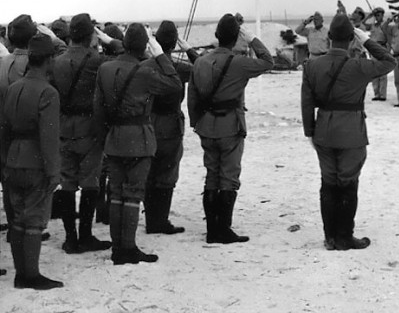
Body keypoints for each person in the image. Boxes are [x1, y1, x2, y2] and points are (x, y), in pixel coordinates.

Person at [301, 13, 396, 251]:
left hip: (323, 130)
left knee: (328, 182)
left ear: (330, 37)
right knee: (348, 183)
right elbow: (389, 62)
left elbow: (306, 103)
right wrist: (366, 40)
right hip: (351, 132)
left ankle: (330, 237)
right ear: (351, 38)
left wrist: (310, 132)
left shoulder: (312, 65)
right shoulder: (359, 66)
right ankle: (344, 236)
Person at [94, 23, 183, 265]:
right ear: (144, 46)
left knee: (116, 193)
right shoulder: (145, 71)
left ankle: (116, 249)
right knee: (133, 194)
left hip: (113, 137)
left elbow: (98, 109)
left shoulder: (105, 68)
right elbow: (174, 84)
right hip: (139, 137)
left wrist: (105, 139)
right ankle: (128, 248)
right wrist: (161, 55)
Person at [187, 14, 273, 244]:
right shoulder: (239, 63)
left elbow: (192, 96)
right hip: (230, 125)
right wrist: (252, 37)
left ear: (216, 35)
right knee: (228, 177)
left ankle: (211, 228)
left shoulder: (201, 61)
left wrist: (196, 123)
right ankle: (222, 229)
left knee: (211, 176)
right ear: (236, 38)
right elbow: (268, 61)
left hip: (206, 125)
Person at [0, 34, 63, 290]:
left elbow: (3, 129)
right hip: (36, 160)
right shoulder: (48, 92)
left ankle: (20, 274)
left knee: (17, 220)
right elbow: (48, 136)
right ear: (48, 60)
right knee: (34, 220)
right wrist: (54, 171)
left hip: (13, 158)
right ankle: (31, 275)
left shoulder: (14, 88)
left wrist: (4, 161)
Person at [52, 13, 113, 254]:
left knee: (67, 182)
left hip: (64, 125)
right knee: (90, 181)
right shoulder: (96, 61)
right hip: (89, 126)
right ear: (90, 35)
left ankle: (70, 238)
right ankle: (85, 236)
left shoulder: (57, 61)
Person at [144, 20, 199, 235]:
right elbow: (203, 67)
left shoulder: (147, 64)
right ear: (173, 43)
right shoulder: (178, 68)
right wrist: (189, 49)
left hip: (149, 120)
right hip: (170, 122)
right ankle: (161, 220)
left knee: (150, 171)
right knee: (167, 172)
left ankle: (151, 219)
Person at [366, 7, 389, 101]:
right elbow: (362, 24)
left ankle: (383, 94)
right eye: (376, 15)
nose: (377, 17)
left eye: (379, 15)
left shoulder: (385, 25)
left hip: (382, 47)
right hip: (373, 48)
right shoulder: (372, 26)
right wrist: (369, 15)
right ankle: (376, 94)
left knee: (383, 72)